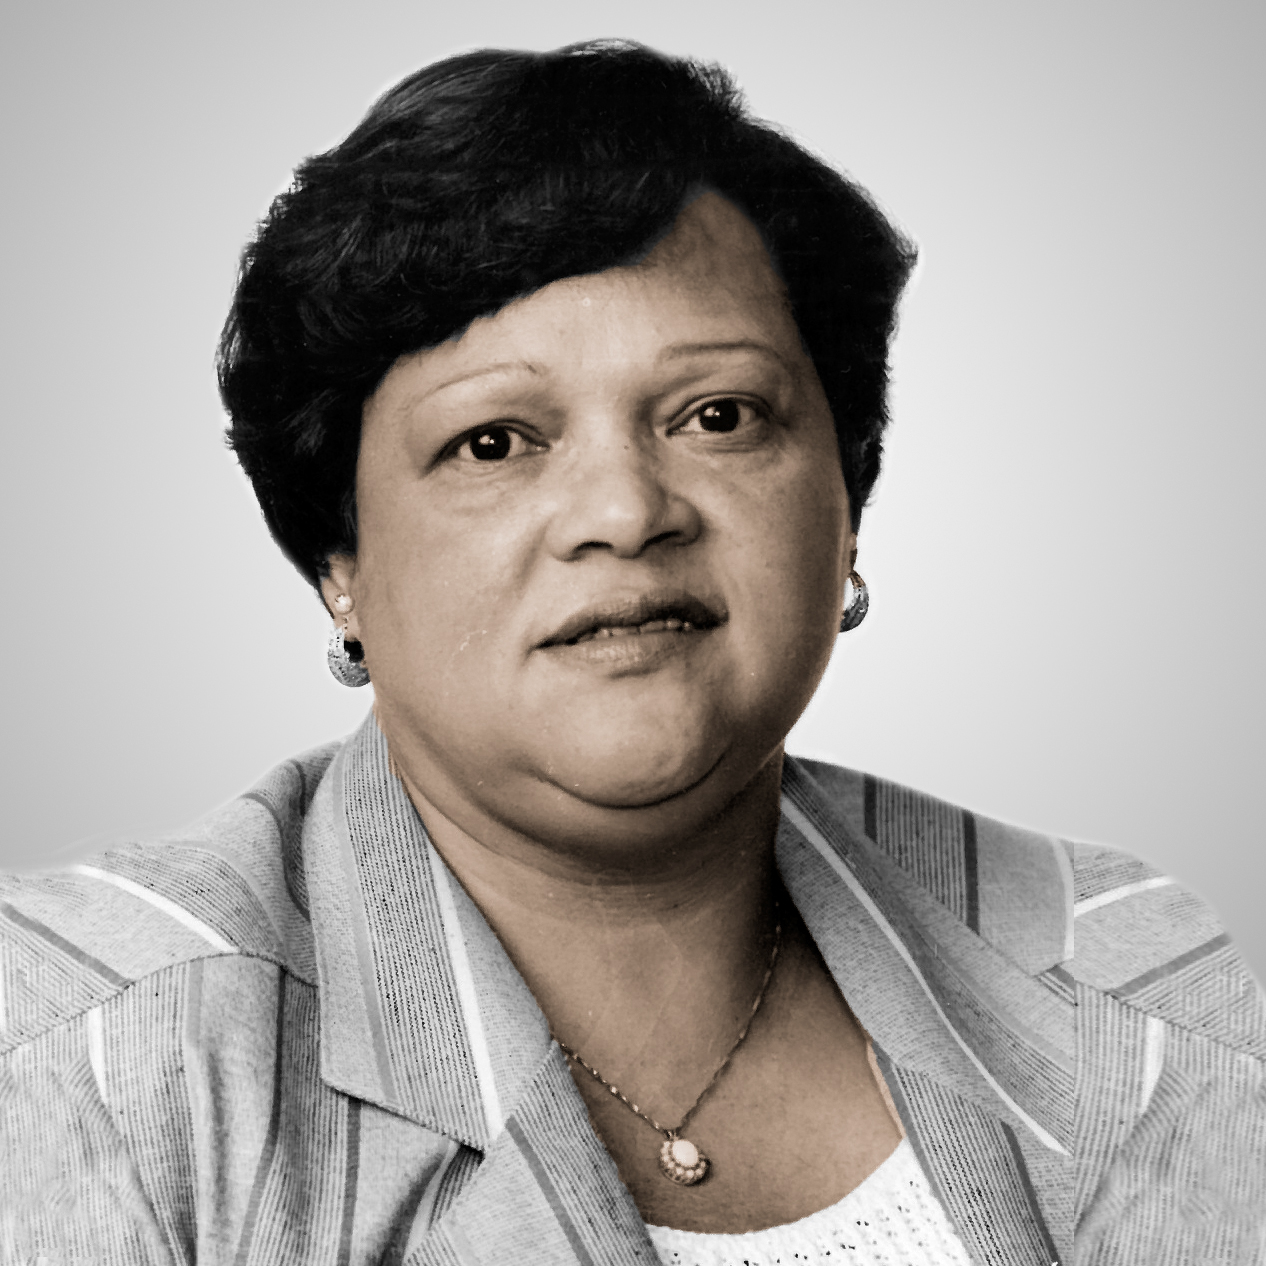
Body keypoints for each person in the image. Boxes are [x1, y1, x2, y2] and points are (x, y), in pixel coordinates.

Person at [2, 40, 1263, 1266]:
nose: (625, 511)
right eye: (495, 442)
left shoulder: (1140, 987)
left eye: (719, 416)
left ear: (847, 505)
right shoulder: (89, 1054)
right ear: (342, 562)